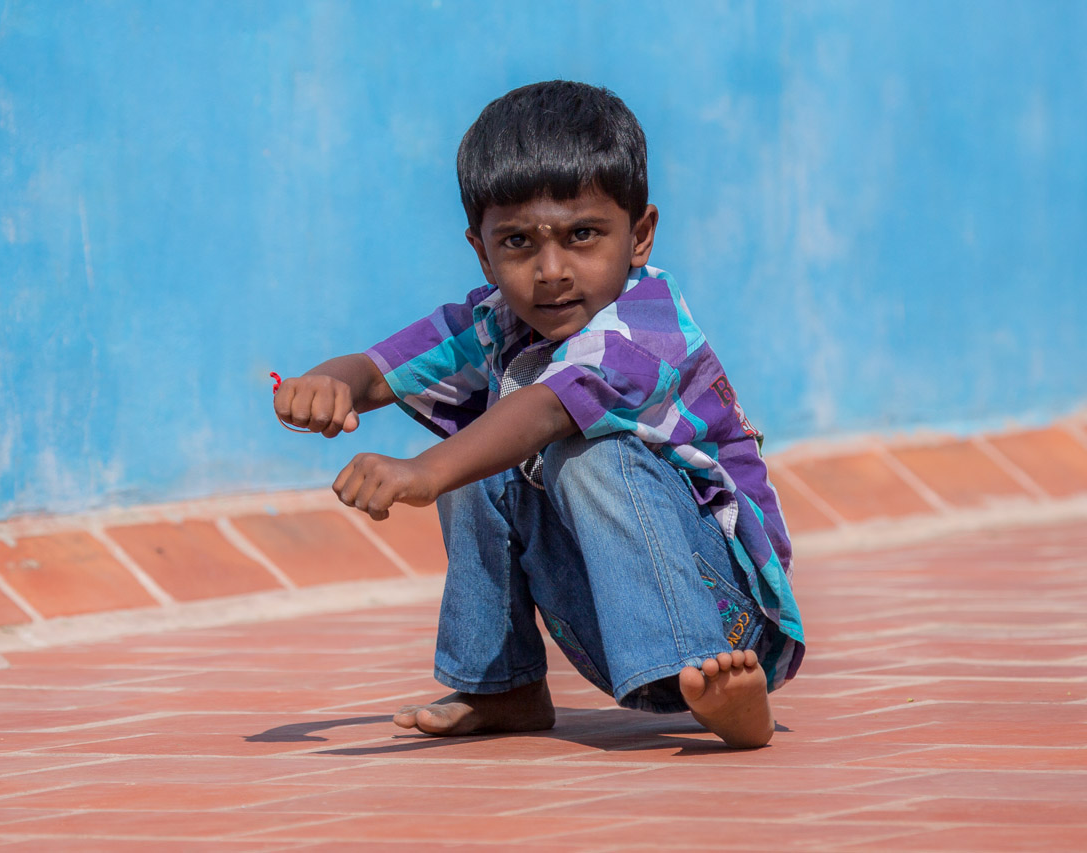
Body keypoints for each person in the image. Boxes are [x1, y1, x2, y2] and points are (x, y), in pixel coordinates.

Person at [272, 80, 804, 749]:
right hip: (606, 608)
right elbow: (379, 369)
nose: (551, 270)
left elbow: (547, 409)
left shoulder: (646, 329)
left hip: (729, 620)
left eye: (582, 235)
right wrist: (327, 386)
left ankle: (722, 692)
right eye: (519, 242)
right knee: (479, 456)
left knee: (585, 454)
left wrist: (423, 472)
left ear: (639, 235)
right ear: (482, 251)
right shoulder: (495, 318)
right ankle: (502, 686)